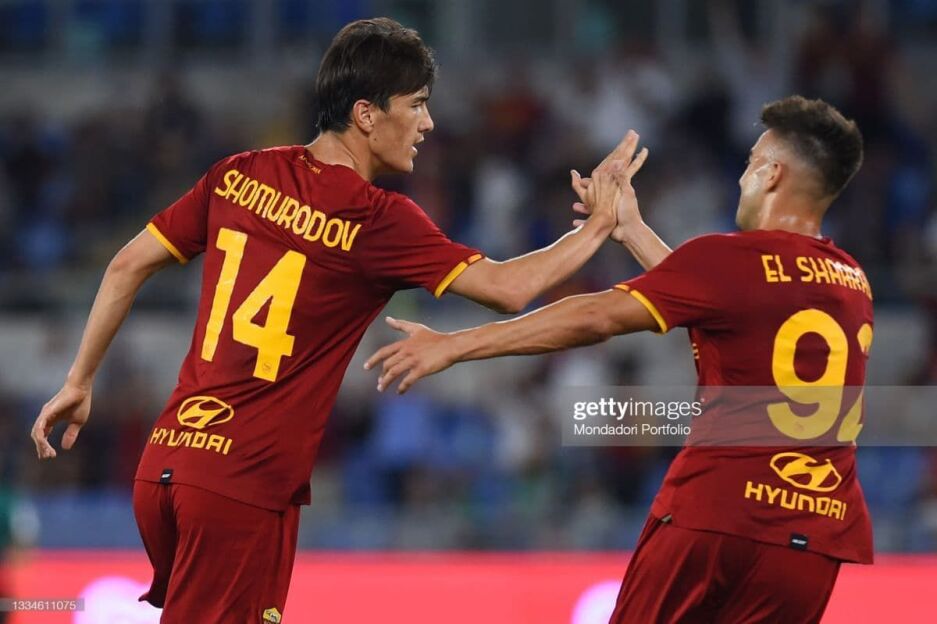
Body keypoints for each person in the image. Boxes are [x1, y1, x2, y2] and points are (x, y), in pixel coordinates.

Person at [29, 17, 646, 623]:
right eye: (417, 104)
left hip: (167, 465)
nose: (428, 122)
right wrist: (599, 224)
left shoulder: (238, 173)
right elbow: (510, 288)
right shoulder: (376, 220)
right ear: (367, 114)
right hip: (240, 487)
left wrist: (79, 380)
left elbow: (126, 264)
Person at [366, 95, 872, 623]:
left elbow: (598, 316)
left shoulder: (731, 259)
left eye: (751, 161)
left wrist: (454, 344)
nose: (743, 175)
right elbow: (723, 300)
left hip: (718, 516)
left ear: (772, 174)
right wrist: (630, 227)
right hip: (813, 540)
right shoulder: (852, 283)